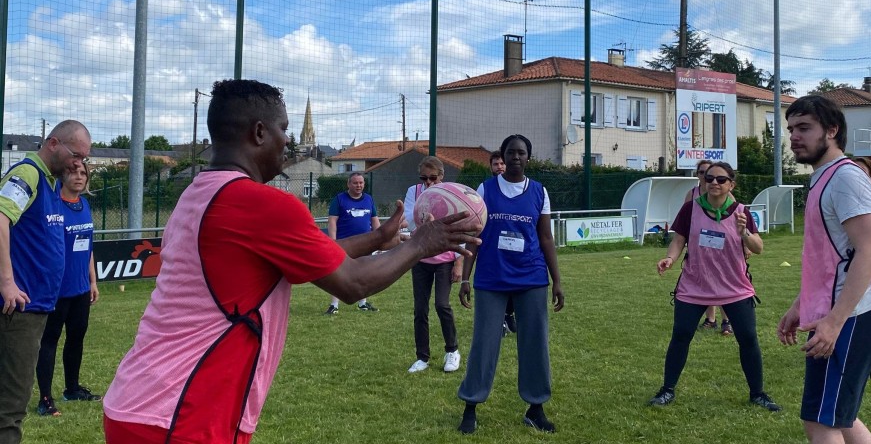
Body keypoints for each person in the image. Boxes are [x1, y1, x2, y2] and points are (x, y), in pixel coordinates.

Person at [102, 79, 478, 444]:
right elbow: (353, 284)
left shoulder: (196, 193)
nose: (289, 140)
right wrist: (421, 244)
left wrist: (378, 240)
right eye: (283, 128)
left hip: (139, 401)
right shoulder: (261, 204)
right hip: (182, 414)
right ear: (259, 133)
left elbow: (312, 254)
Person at [777, 95, 871, 444]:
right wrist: (800, 304)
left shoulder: (846, 178)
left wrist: (834, 322)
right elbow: (828, 258)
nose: (794, 137)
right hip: (836, 314)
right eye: (791, 129)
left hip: (852, 315)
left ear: (832, 130)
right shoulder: (824, 177)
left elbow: (869, 251)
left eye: (804, 128)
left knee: (821, 420)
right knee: (838, 416)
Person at [650, 161, 780, 412]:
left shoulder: (741, 212)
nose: (714, 183)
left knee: (748, 339)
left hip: (735, 287)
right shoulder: (691, 208)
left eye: (721, 179)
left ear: (732, 184)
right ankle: (667, 390)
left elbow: (758, 248)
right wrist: (670, 258)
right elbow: (679, 240)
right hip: (694, 286)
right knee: (680, 336)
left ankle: (758, 394)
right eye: (709, 178)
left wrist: (744, 233)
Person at [457, 134, 564, 434]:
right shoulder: (486, 189)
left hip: (531, 277)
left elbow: (546, 238)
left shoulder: (540, 192)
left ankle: (535, 408)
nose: (516, 157)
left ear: (528, 157)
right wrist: (465, 277)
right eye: (511, 152)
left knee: (535, 343)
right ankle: (470, 405)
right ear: (502, 157)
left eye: (521, 152)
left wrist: (557, 280)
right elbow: (474, 236)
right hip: (492, 278)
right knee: (484, 343)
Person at [0, 120, 91, 444]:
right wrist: (7, 283)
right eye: (76, 155)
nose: (79, 164)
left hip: (35, 307)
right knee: (10, 409)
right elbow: (0, 218)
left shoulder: (52, 184)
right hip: (18, 310)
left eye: (84, 158)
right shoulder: (28, 174)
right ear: (53, 143)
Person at [35, 164, 101, 417]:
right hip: (56, 290)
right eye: (74, 172)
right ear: (63, 176)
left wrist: (92, 281)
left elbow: (88, 247)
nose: (79, 177)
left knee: (76, 337)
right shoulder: (53, 206)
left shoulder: (84, 205)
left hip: (80, 289)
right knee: (49, 341)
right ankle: (45, 399)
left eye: (83, 173)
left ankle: (72, 389)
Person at [403, 156, 464, 373]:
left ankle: (452, 351)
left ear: (442, 176)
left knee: (442, 305)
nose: (428, 182)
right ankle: (422, 357)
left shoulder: (451, 194)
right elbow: (410, 220)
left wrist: (459, 263)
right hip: (420, 258)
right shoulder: (413, 192)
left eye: (432, 178)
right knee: (420, 309)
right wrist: (424, 212)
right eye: (424, 178)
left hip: (444, 260)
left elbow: (459, 227)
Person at [684, 159, 733, 336]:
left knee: (723, 282)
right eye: (703, 173)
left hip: (721, 247)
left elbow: (735, 219)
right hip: (700, 247)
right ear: (698, 175)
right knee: (705, 281)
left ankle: (727, 321)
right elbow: (686, 220)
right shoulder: (692, 194)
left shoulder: (727, 195)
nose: (709, 178)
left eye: (711, 174)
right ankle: (710, 320)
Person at [325, 172, 381, 313]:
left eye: (361, 183)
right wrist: (334, 242)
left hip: (366, 244)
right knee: (338, 275)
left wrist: (380, 240)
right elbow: (332, 221)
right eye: (355, 183)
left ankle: (363, 303)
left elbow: (375, 221)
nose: (358, 185)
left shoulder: (369, 199)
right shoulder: (339, 199)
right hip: (345, 244)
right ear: (348, 184)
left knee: (364, 273)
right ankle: (334, 305)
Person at [489, 150, 516, 338]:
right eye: (495, 164)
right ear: (491, 167)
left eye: (501, 163)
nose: (499, 167)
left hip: (515, 245)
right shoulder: (487, 188)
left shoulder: (519, 187)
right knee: (497, 286)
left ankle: (508, 314)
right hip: (494, 247)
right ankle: (499, 321)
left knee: (515, 284)